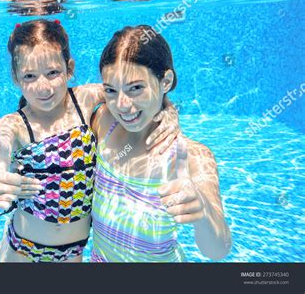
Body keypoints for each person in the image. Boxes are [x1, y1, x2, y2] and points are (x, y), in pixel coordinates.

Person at [0, 19, 179, 262]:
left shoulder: (84, 101)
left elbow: (133, 93)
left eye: (53, 72)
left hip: (73, 251)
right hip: (23, 249)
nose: (43, 87)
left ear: (70, 68)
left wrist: (167, 109)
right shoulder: (16, 123)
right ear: (15, 78)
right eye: (30, 76)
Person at [90, 25, 232, 262]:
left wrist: (202, 212)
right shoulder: (104, 121)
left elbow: (218, 250)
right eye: (111, 90)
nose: (122, 105)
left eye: (136, 88)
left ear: (166, 81)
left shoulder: (191, 156)